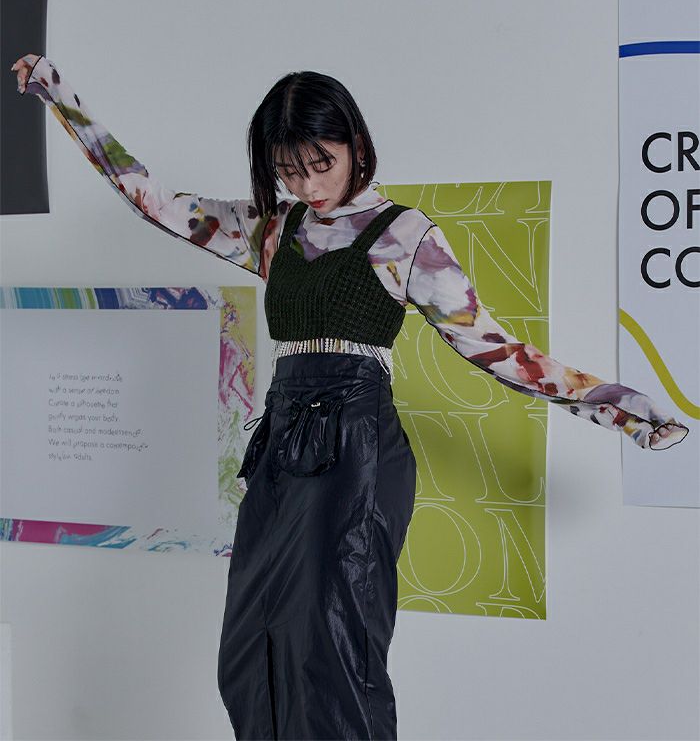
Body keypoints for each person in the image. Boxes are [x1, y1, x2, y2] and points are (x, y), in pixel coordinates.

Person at [12, 53, 690, 740]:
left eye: (321, 163)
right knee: (251, 649)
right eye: (288, 170)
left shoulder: (404, 236)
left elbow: (495, 349)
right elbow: (153, 201)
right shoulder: (273, 229)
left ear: (356, 145)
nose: (308, 185)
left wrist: (619, 406)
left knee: (332, 651)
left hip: (356, 450)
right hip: (282, 444)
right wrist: (60, 96)